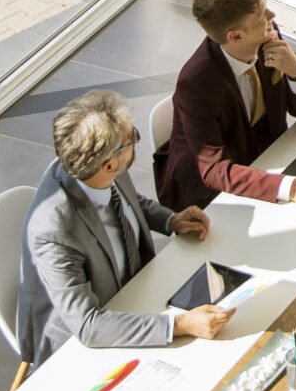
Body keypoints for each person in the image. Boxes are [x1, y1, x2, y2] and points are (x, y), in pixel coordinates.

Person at [17, 90, 233, 365]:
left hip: (137, 294)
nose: (134, 141)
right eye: (132, 139)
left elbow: (129, 201)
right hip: (85, 341)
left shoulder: (93, 163)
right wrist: (179, 325)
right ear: (109, 164)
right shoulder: (54, 232)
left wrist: (170, 219)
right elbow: (89, 325)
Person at [157, 0, 296, 212]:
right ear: (236, 36)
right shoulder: (196, 84)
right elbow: (213, 170)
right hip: (209, 193)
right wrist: (292, 189)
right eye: (261, 16)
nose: (272, 17)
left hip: (265, 159)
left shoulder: (267, 37)